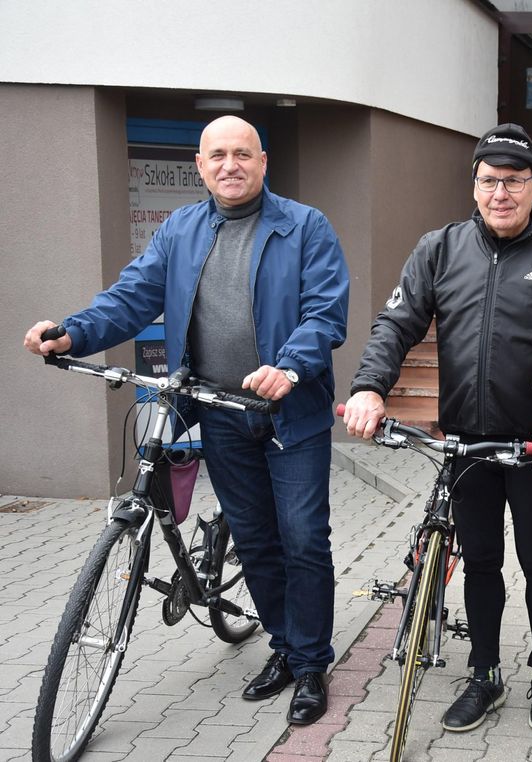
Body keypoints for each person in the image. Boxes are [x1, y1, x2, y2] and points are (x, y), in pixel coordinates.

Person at [24, 115, 350, 726]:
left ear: (263, 160)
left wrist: (290, 367)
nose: (230, 164)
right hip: (218, 412)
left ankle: (311, 665)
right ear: (200, 167)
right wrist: (72, 332)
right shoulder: (181, 229)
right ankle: (284, 647)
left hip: (290, 415)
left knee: (303, 539)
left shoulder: (305, 226)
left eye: (242, 154)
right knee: (255, 541)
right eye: (217, 155)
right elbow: (131, 297)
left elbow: (325, 312)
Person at [342, 123, 532, 734]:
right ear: (474, 186)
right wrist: (369, 387)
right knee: (480, 562)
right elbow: (396, 325)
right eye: (488, 181)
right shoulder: (440, 248)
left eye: (513, 181)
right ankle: (484, 673)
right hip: (465, 443)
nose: (500, 193)